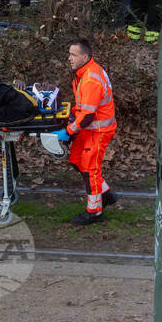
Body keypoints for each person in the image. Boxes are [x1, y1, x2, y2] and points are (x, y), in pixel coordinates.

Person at [53, 39, 117, 225]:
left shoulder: (90, 79)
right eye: (69, 54)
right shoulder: (85, 73)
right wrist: (71, 117)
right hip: (89, 128)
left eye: (73, 55)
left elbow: (88, 115)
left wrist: (68, 131)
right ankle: (106, 194)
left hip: (98, 130)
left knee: (91, 170)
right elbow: (84, 108)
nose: (69, 58)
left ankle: (95, 212)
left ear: (85, 56)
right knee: (77, 161)